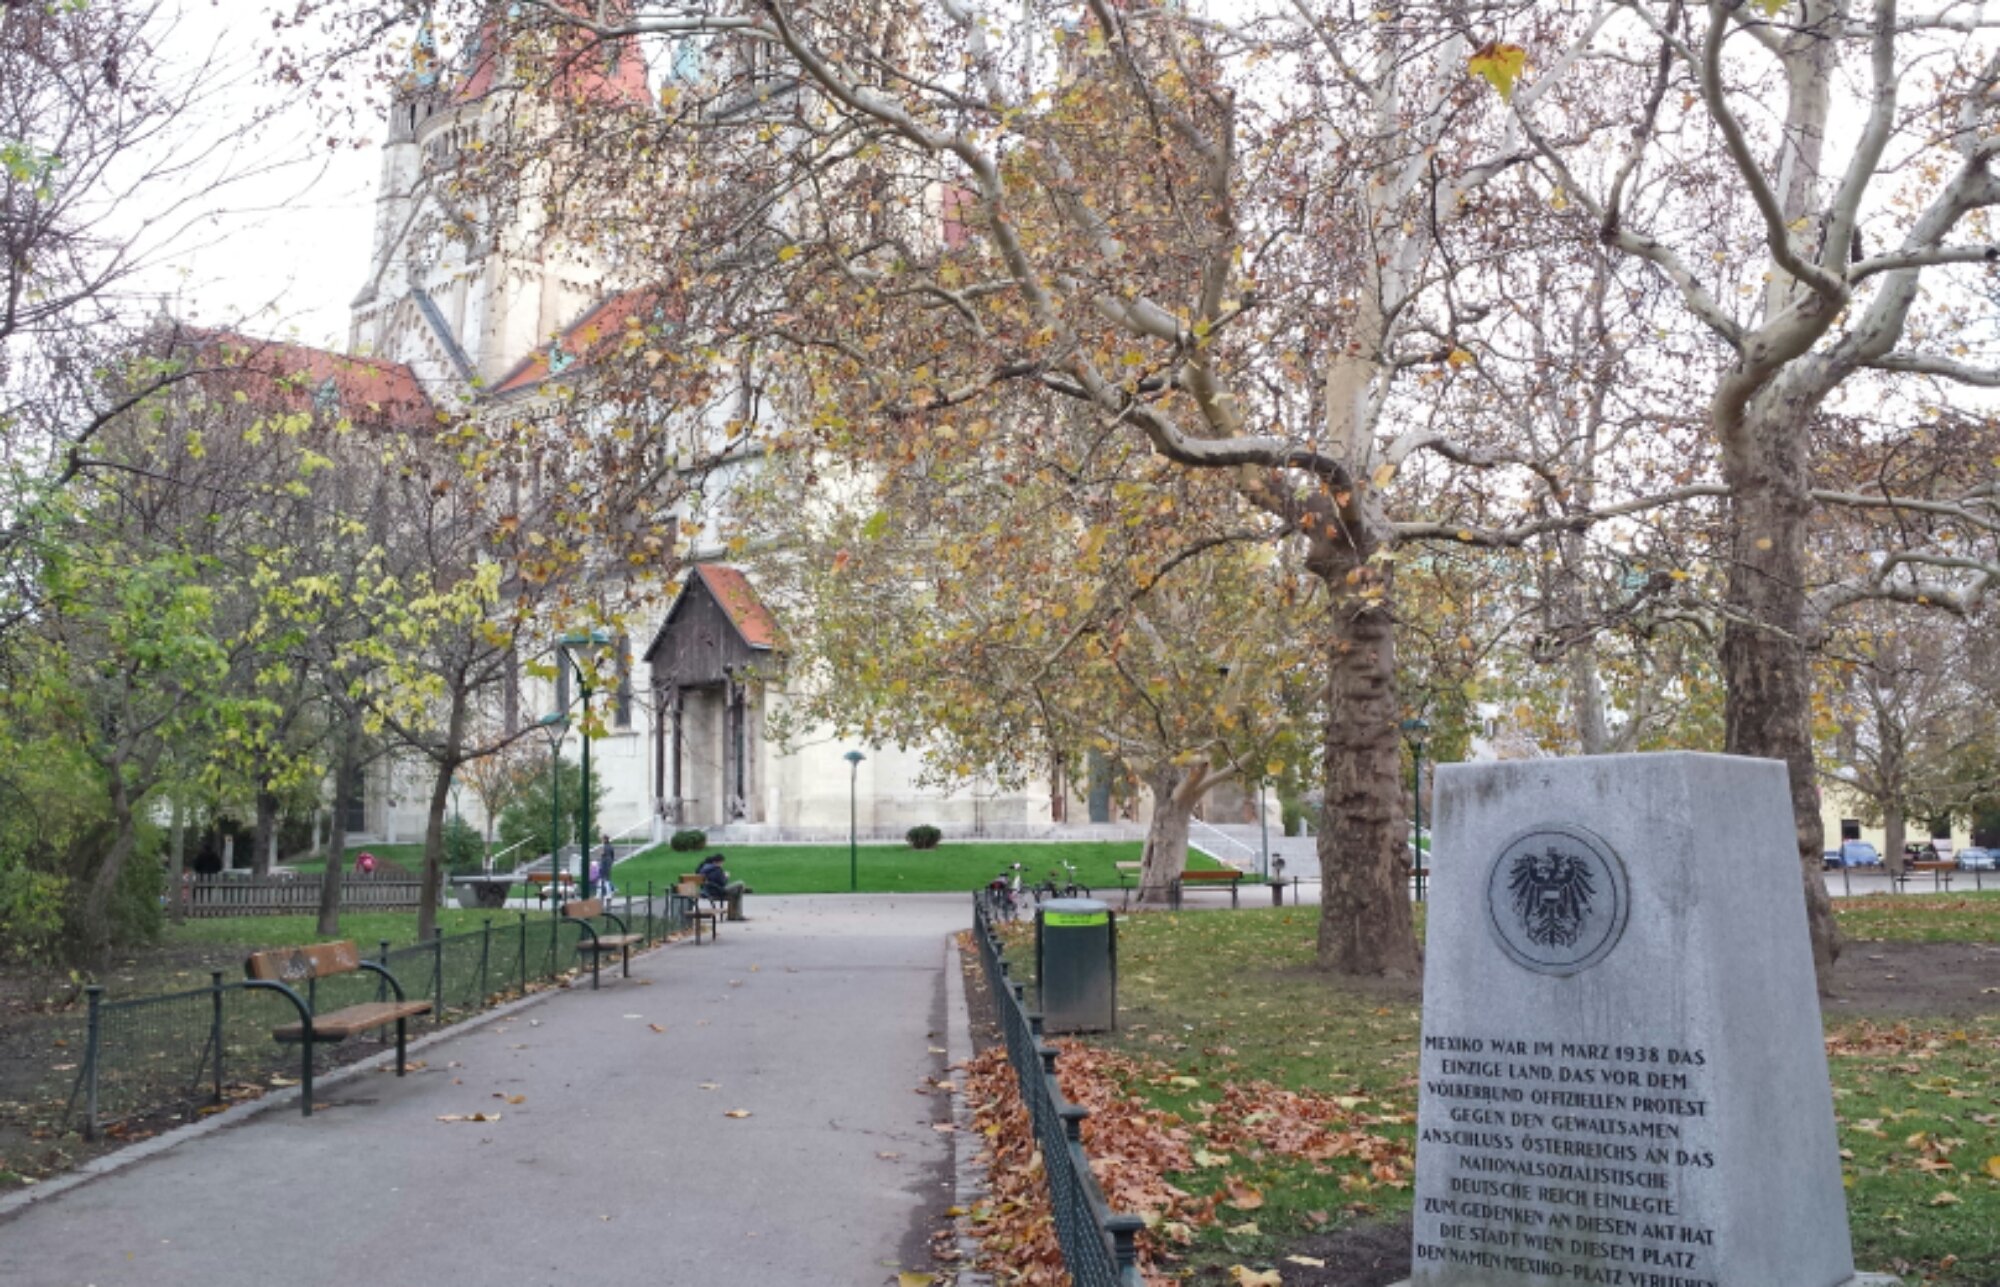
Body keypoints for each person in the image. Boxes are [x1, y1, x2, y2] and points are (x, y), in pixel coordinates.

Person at [594, 832, 616, 898]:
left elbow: (602, 854)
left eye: (603, 839)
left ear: (605, 839)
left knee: (603, 879)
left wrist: (600, 853)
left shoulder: (605, 847)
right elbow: (612, 855)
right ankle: (606, 893)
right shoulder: (610, 846)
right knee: (606, 879)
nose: (602, 840)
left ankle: (603, 893)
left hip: (605, 864)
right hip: (608, 863)